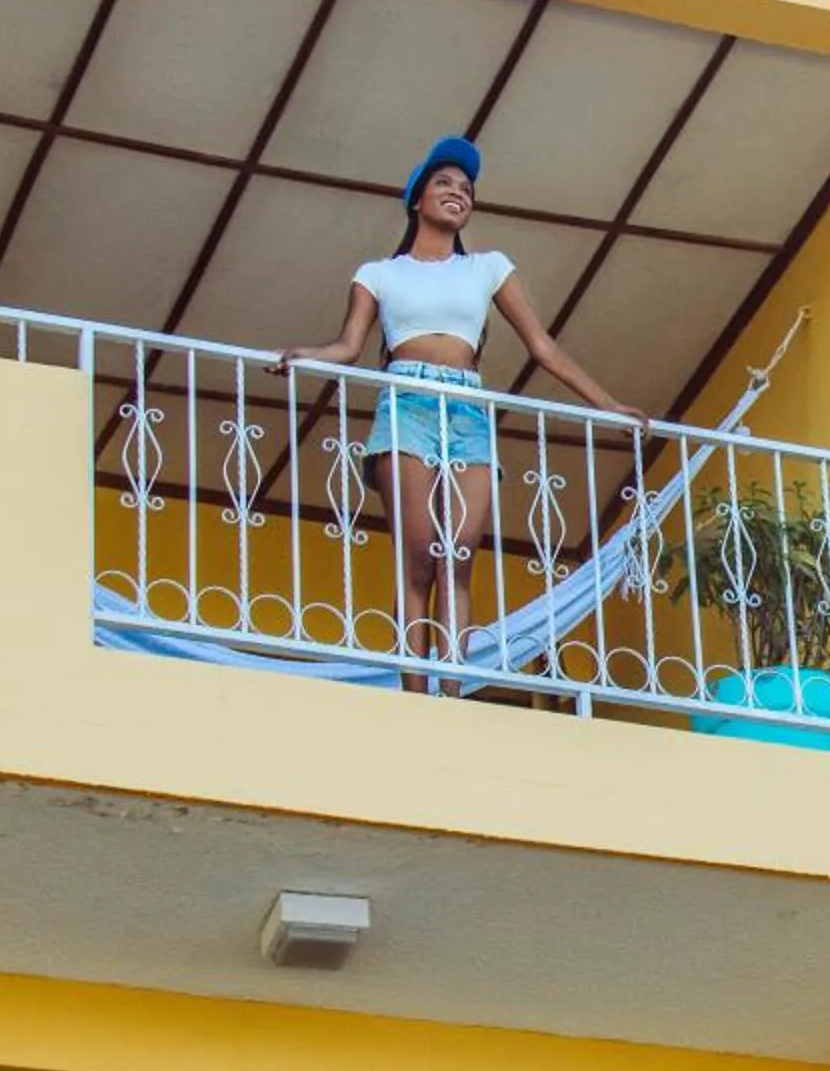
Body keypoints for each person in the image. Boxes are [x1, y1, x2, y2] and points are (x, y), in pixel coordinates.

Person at [277, 135, 647, 689]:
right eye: (444, 183)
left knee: (458, 557)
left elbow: (542, 346)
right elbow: (348, 346)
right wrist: (302, 355)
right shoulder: (378, 273)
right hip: (406, 401)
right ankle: (415, 693)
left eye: (467, 189)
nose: (458, 193)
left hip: (468, 408)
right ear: (417, 199)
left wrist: (609, 406)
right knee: (419, 555)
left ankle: (450, 693)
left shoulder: (488, 267)